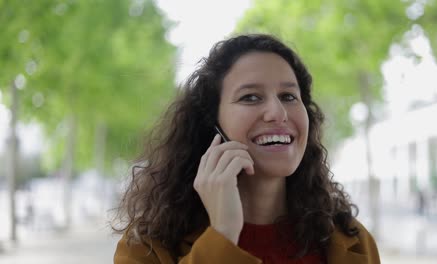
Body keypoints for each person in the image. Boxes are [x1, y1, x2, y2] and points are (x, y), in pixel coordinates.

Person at [113, 34, 380, 264]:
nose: (277, 113)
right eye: (250, 97)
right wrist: (222, 234)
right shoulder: (145, 247)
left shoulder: (351, 240)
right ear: (212, 124)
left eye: (288, 96)